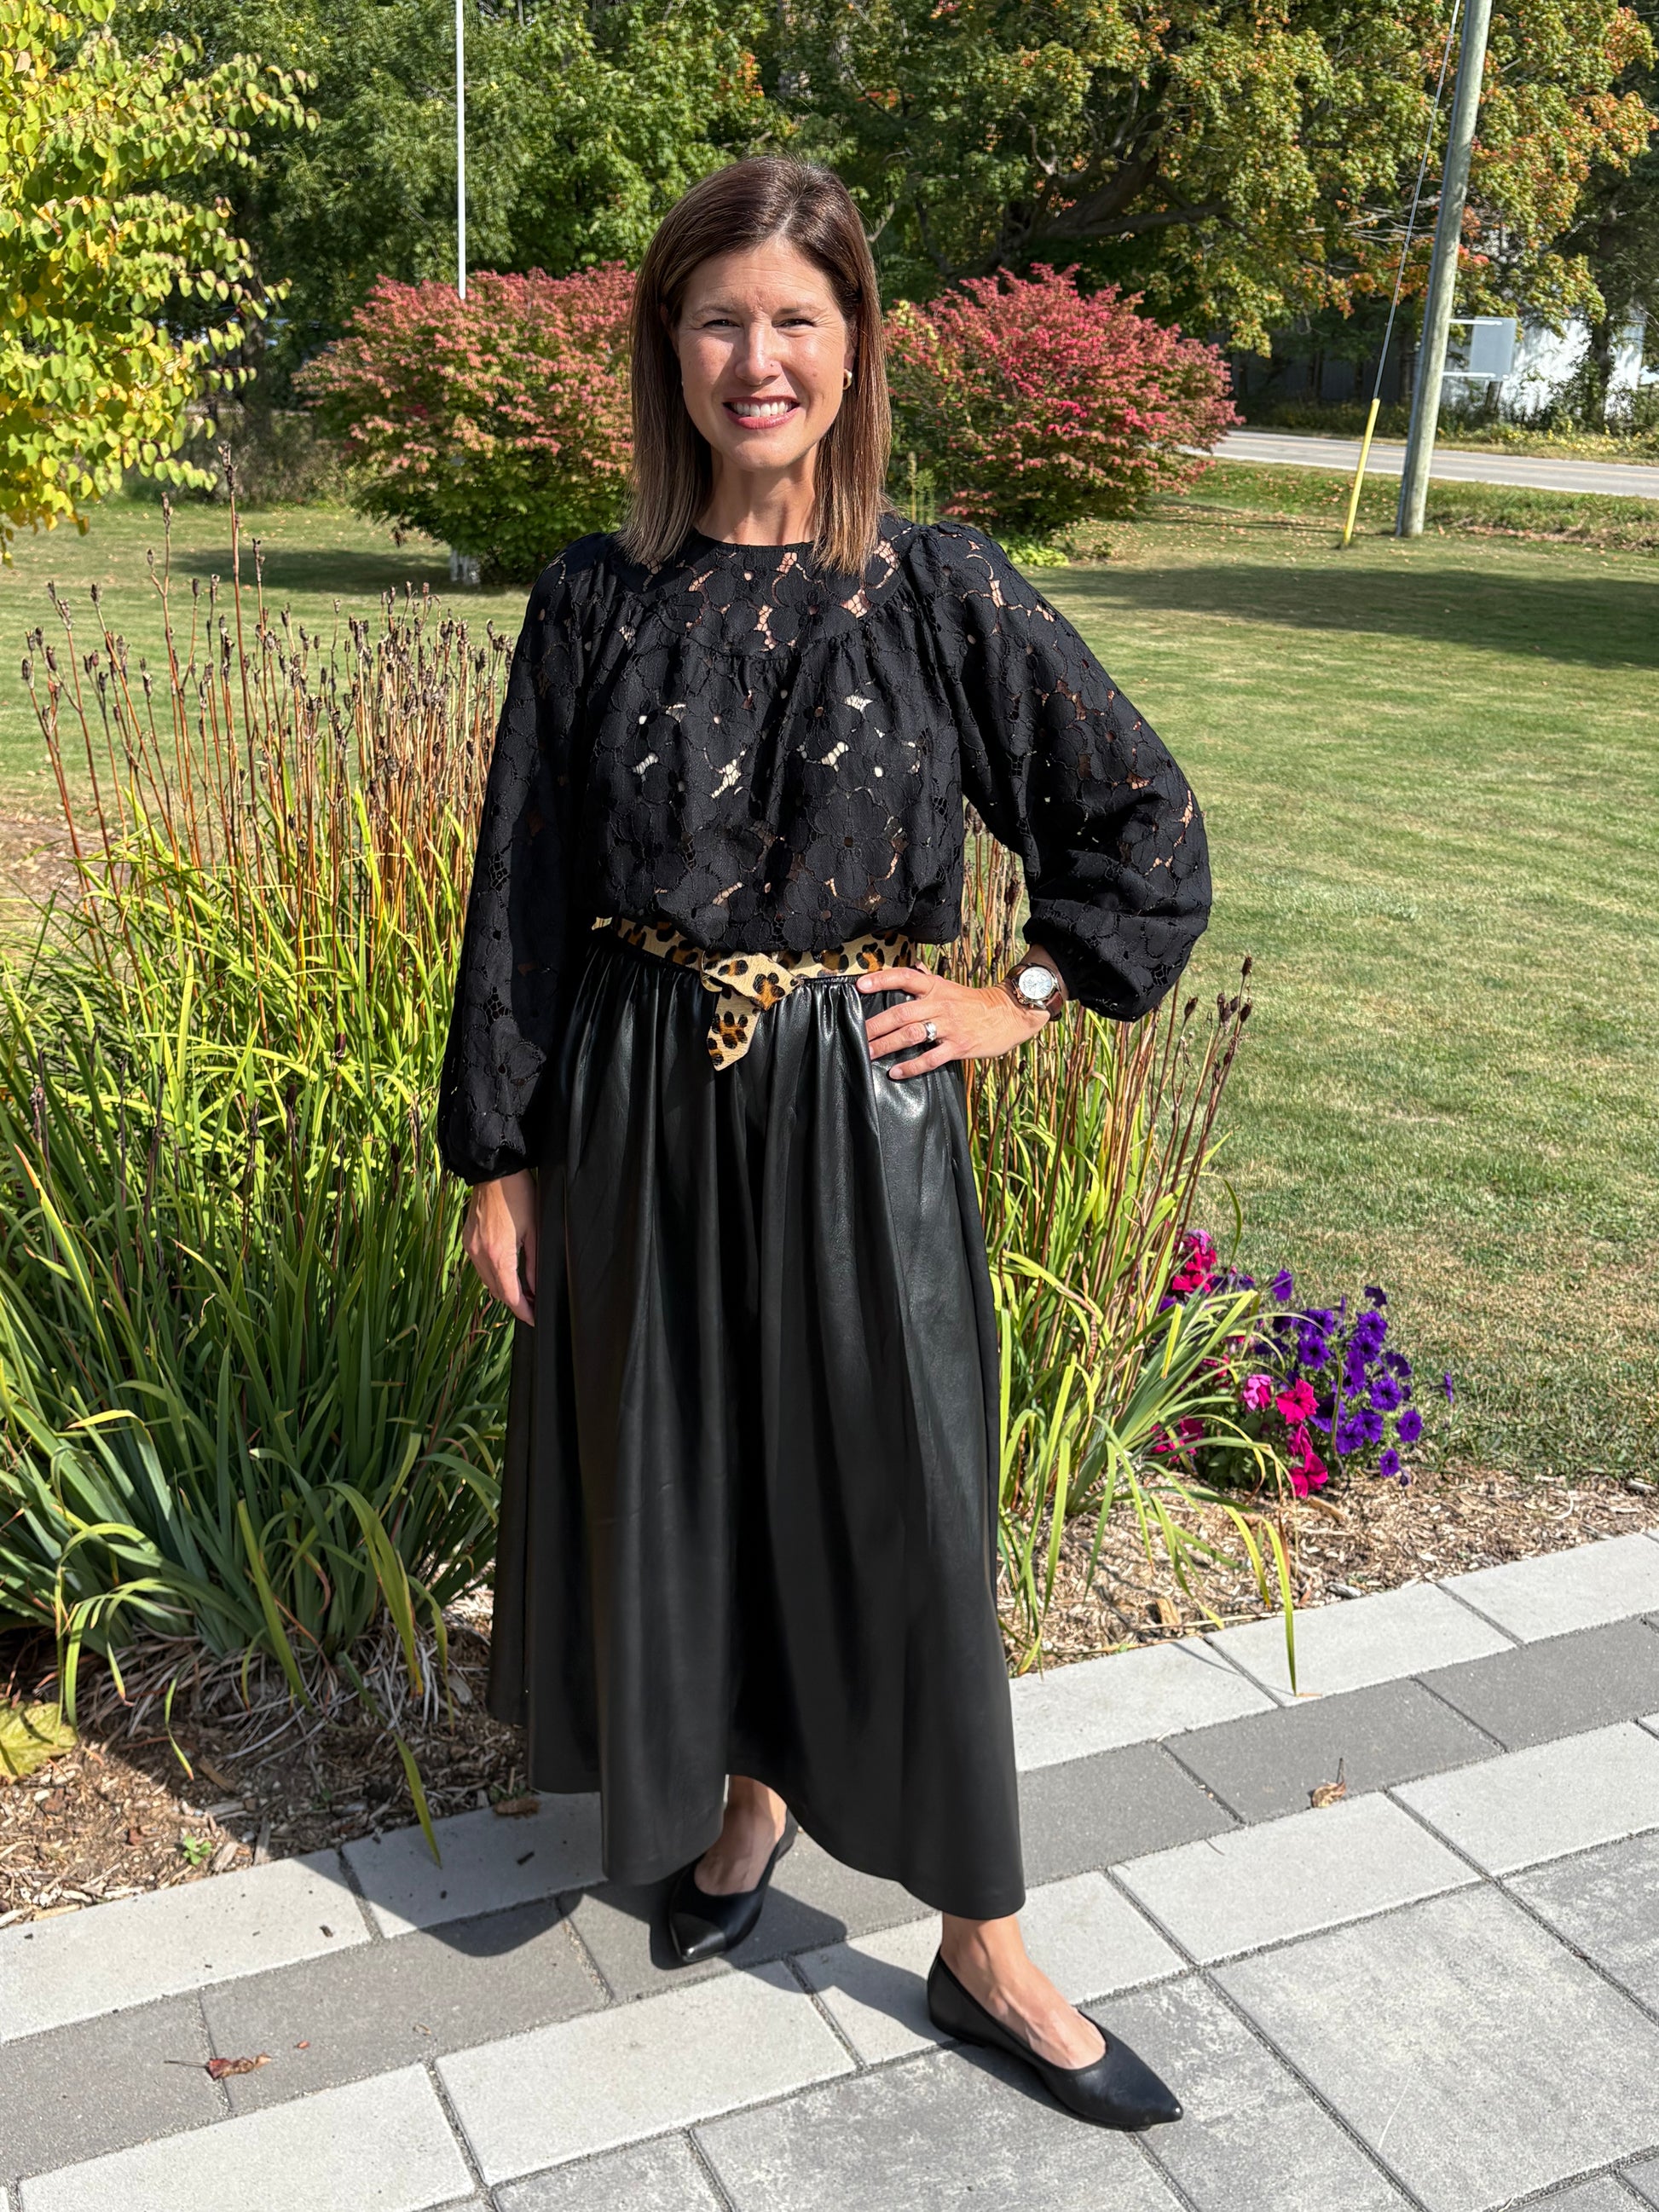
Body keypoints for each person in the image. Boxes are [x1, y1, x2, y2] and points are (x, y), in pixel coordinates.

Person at [436, 156, 1209, 2131]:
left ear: (854, 345)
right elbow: (519, 891)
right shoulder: (592, 597)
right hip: (629, 1106)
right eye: (717, 319)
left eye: (793, 319)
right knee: (687, 1483)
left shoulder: (940, 586)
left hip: (856, 1110)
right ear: (664, 350)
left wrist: (1016, 998)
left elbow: (1140, 825)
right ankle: (743, 1809)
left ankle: (984, 1939)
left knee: (899, 1510)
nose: (754, 357)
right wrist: (500, 1154)